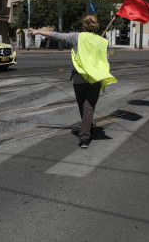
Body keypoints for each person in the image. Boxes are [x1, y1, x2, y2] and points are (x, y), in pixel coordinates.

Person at [27, 14, 117, 149]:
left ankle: (85, 137)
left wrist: (38, 31)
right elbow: (104, 62)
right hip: (95, 80)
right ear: (95, 25)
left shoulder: (77, 37)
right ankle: (88, 129)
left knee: (85, 108)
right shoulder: (102, 41)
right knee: (88, 108)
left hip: (79, 79)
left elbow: (57, 35)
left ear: (84, 25)